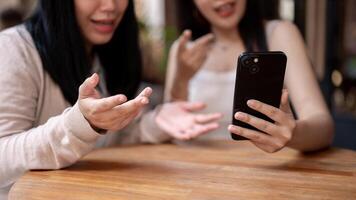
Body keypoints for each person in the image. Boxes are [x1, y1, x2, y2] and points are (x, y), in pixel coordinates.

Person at [0, 0, 222, 198]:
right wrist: (80, 124)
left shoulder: (104, 51)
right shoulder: (13, 49)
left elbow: (107, 140)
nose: (111, 6)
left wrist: (156, 122)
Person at [164, 0, 334, 152]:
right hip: (197, 175)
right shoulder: (183, 51)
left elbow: (324, 128)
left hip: (262, 174)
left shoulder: (279, 33)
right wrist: (181, 80)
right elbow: (168, 130)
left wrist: (292, 132)